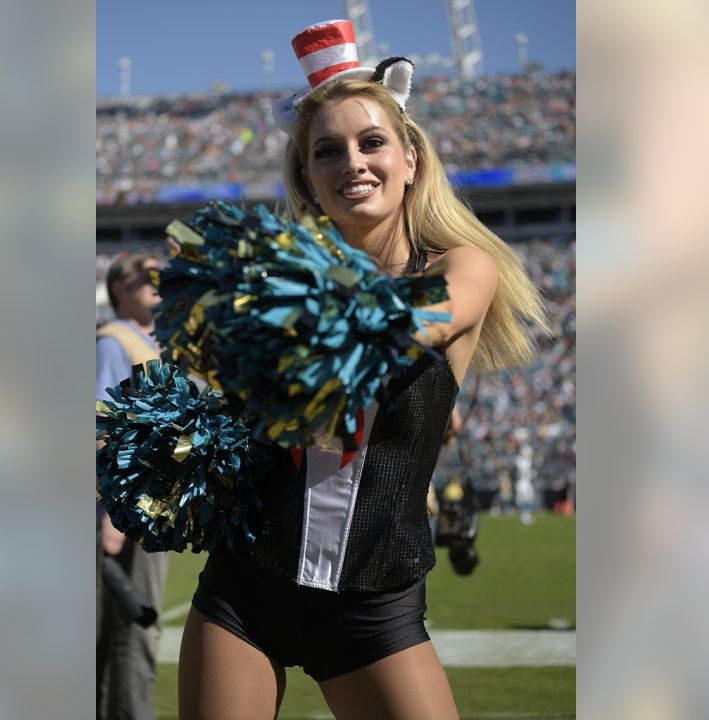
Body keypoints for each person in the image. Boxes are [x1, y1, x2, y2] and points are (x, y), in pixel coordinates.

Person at [177, 20, 551, 720]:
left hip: (372, 605)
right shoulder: (274, 287)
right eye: (328, 152)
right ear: (311, 181)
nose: (353, 161)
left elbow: (415, 322)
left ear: (411, 159)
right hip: (245, 591)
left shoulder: (462, 268)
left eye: (371, 142)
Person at [97, 251, 170, 720]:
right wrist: (110, 510)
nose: (155, 281)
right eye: (144, 276)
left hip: (155, 501)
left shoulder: (151, 341)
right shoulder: (115, 341)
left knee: (134, 625)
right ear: (119, 288)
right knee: (134, 624)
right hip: (131, 503)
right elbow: (101, 428)